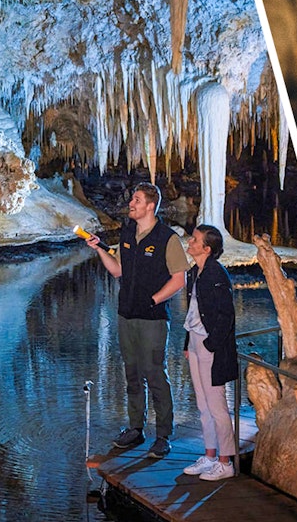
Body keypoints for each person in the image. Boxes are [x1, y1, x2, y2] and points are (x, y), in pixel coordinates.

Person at [86, 182, 188, 458]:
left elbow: (179, 278)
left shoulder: (167, 238)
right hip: (126, 314)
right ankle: (135, 428)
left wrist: (154, 299)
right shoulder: (128, 232)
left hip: (153, 319)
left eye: (137, 199)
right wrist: (99, 250)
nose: (131, 203)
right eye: (133, 198)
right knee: (131, 374)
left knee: (155, 374)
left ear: (150, 205)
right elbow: (118, 270)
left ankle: (163, 435)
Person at [180, 224, 240, 481]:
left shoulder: (217, 275)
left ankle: (226, 463)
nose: (189, 242)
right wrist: (187, 344)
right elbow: (193, 310)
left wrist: (210, 344)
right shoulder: (196, 272)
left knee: (217, 406)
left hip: (210, 345)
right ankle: (210, 455)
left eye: (194, 240)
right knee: (203, 405)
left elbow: (226, 315)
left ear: (207, 248)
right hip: (195, 342)